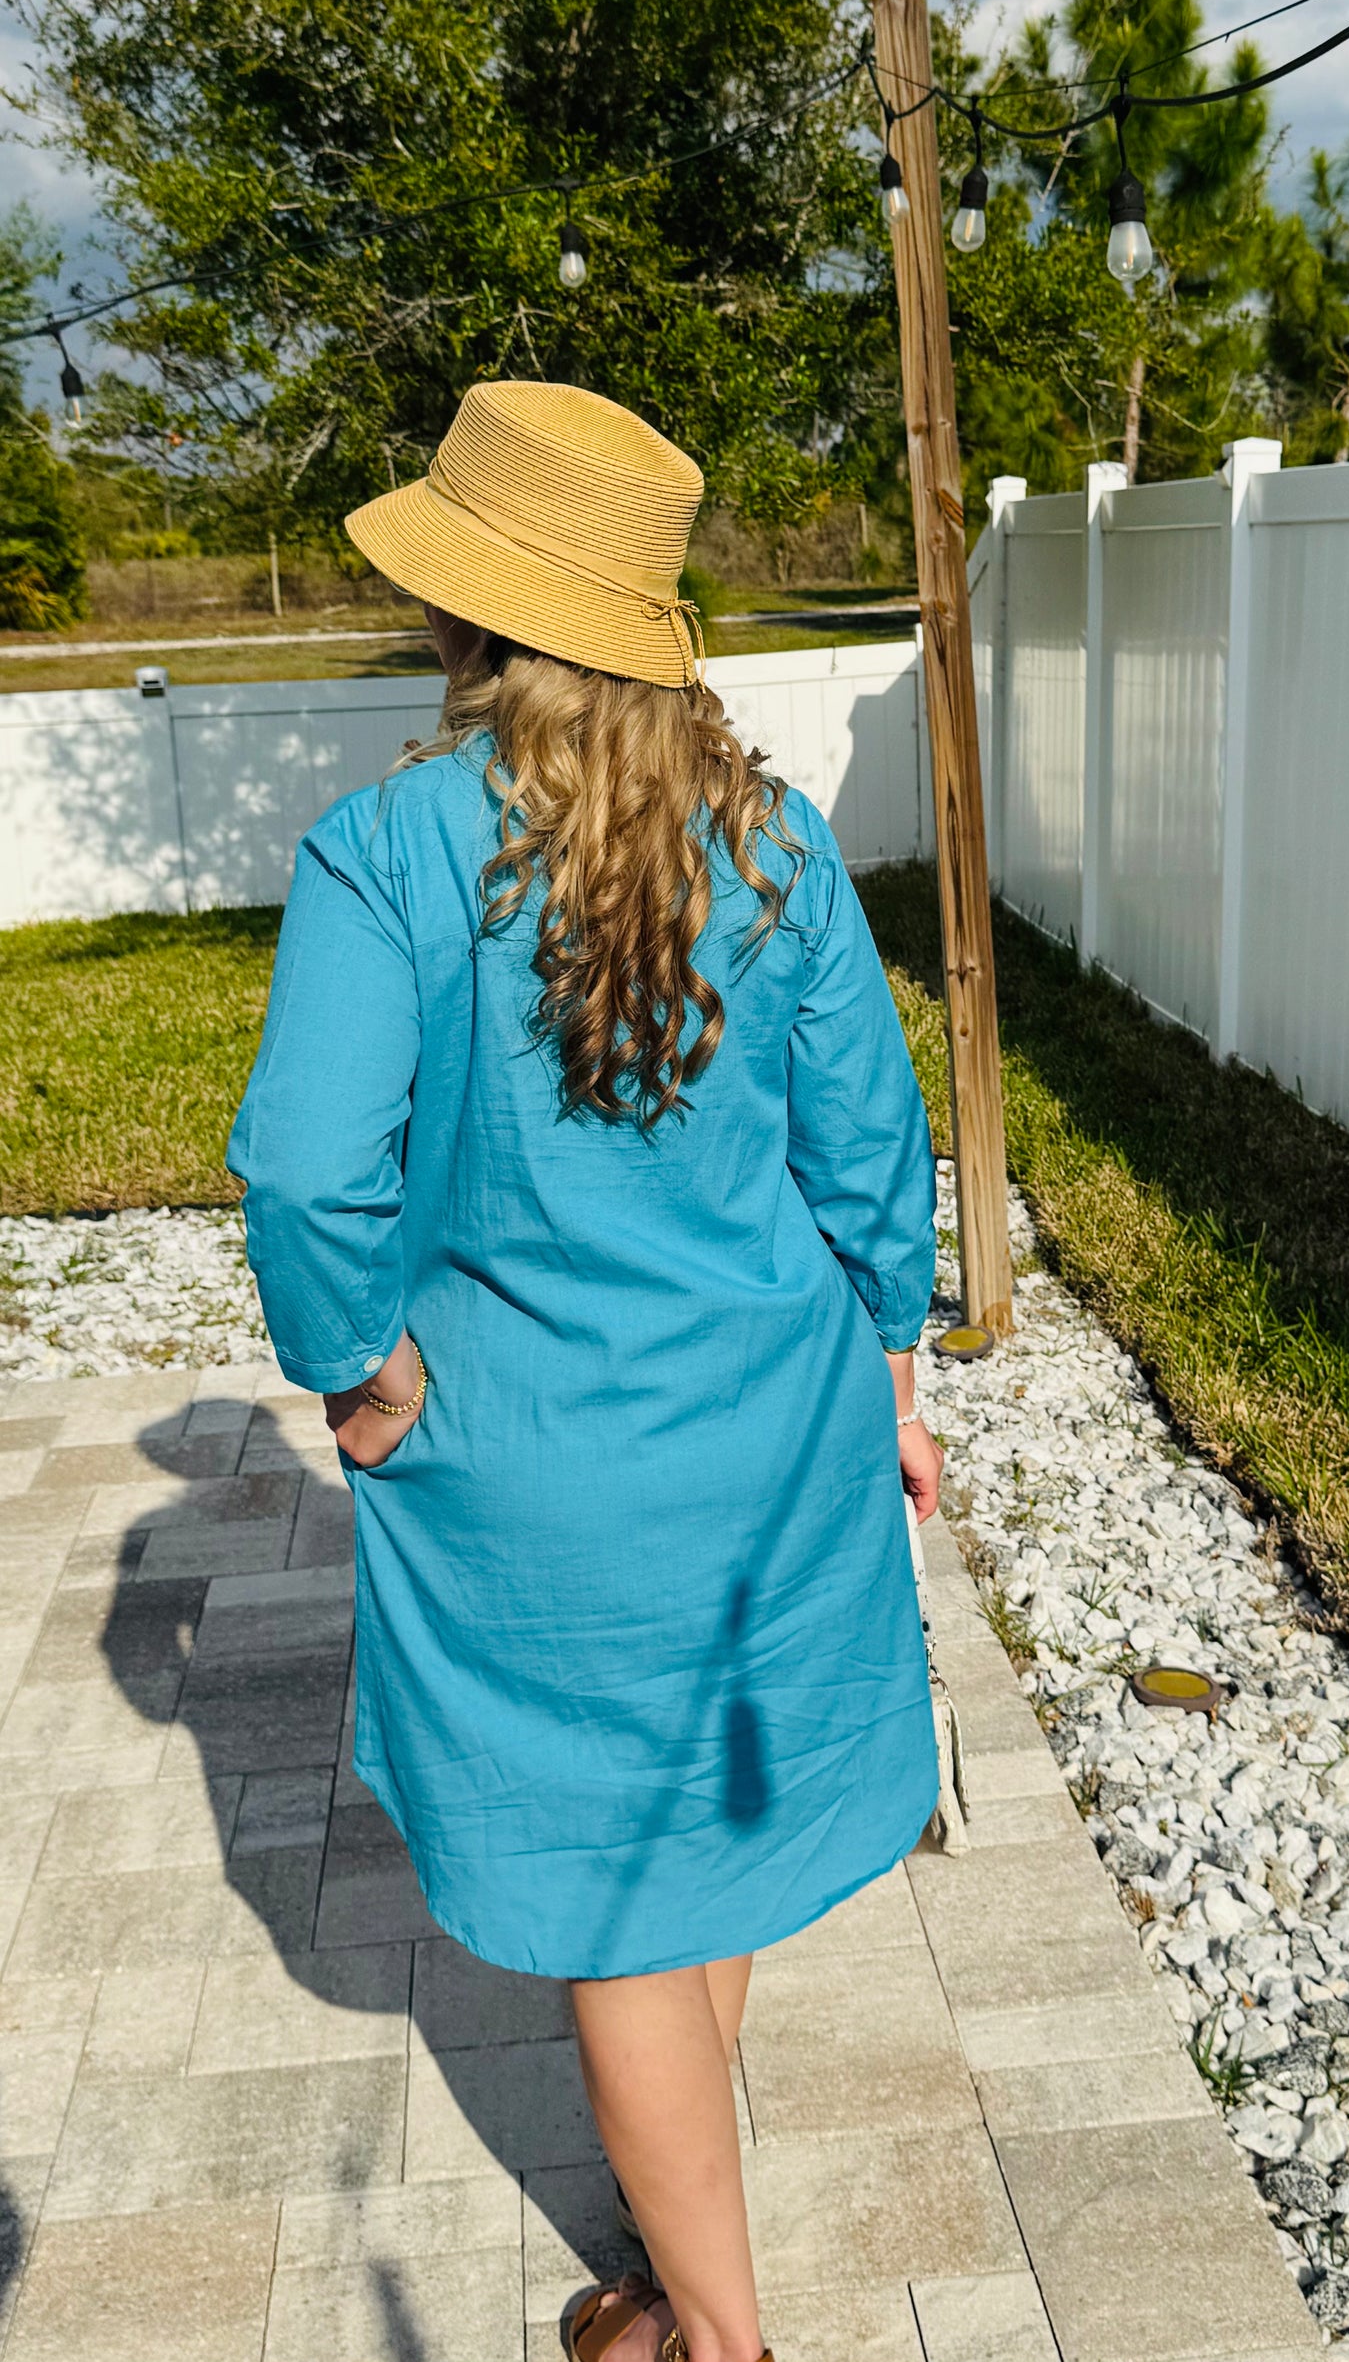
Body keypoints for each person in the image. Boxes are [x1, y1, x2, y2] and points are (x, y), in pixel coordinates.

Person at [228, 379, 943, 2362]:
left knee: (625, 1898)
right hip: (776, 1453)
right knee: (687, 1856)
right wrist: (895, 1361)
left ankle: (715, 2342)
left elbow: (305, 1167)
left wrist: (360, 1374)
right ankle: (665, 2272)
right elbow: (874, 1159)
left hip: (541, 1484)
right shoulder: (776, 844)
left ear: (467, 615)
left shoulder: (389, 852)